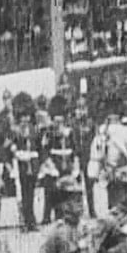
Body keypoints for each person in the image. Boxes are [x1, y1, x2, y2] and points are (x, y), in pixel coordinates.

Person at [3, 92, 41, 231]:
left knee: (31, 194)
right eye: (23, 116)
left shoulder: (34, 130)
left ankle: (31, 220)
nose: (25, 119)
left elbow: (39, 148)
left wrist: (39, 162)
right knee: (23, 194)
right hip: (21, 166)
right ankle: (25, 220)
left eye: (27, 116)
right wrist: (13, 153)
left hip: (32, 164)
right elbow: (6, 148)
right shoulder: (15, 131)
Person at [41, 94, 79, 224]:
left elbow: (74, 149)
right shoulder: (48, 132)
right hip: (54, 164)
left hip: (66, 163)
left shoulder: (70, 132)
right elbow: (45, 150)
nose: (59, 123)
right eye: (56, 120)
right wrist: (50, 165)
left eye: (61, 120)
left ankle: (63, 214)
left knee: (65, 191)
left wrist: (74, 165)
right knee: (51, 192)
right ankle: (47, 216)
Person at [71, 96, 96, 218]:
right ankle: (78, 211)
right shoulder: (72, 124)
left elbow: (94, 140)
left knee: (89, 185)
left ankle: (92, 210)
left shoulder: (91, 123)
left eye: (83, 108)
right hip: (76, 157)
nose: (81, 111)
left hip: (87, 156)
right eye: (79, 108)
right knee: (76, 186)